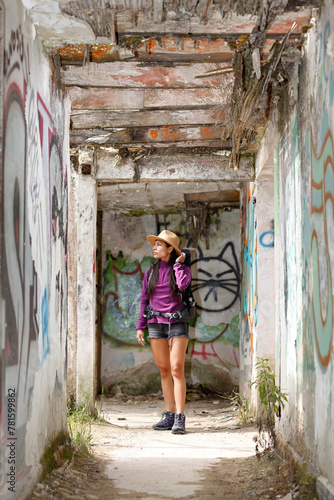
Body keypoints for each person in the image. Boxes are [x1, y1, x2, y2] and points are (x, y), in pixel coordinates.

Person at [136, 230, 191, 434]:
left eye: (160, 244)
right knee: (164, 370)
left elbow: (184, 285)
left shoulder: (181, 269)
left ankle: (180, 417)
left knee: (176, 368)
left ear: (170, 249)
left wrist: (179, 264)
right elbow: (144, 300)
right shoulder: (150, 272)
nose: (154, 247)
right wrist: (141, 325)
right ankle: (168, 415)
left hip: (177, 322)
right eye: (155, 244)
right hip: (155, 323)